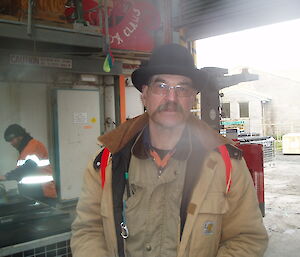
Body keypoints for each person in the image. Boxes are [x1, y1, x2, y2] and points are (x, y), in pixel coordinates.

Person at [71, 44, 268, 257]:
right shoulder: (108, 162)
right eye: (161, 87)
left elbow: (247, 238)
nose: (171, 98)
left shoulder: (227, 164)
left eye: (182, 89)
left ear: (192, 98)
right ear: (145, 95)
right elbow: (88, 230)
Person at [0, 124, 57, 202]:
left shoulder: (34, 146)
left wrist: (6, 177)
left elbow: (28, 167)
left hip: (43, 195)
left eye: (11, 140)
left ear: (19, 136)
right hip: (33, 195)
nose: (11, 143)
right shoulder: (25, 150)